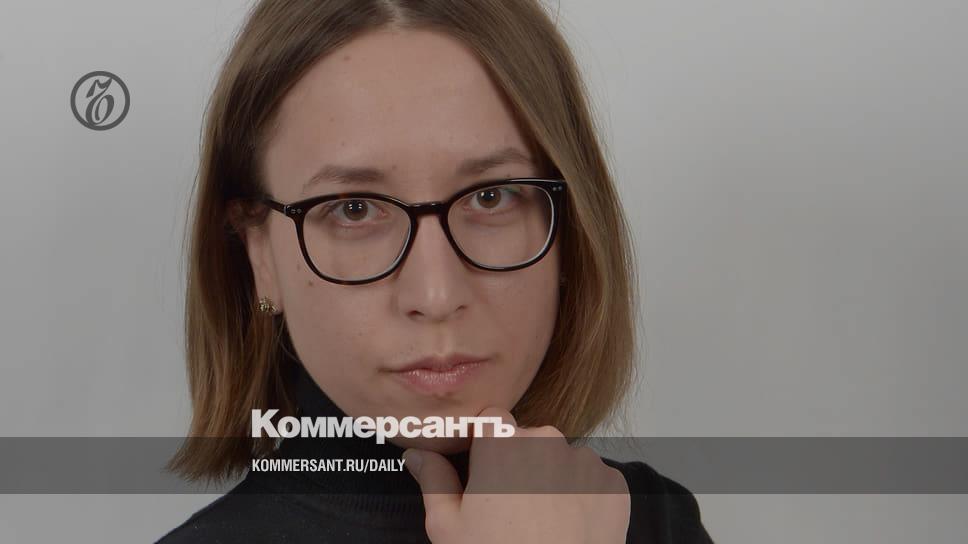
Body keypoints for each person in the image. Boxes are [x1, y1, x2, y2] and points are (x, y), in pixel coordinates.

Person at [158, 1, 714, 542]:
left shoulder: (651, 522)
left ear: (571, 227)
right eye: (354, 209)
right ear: (259, 254)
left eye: (492, 197)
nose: (436, 294)